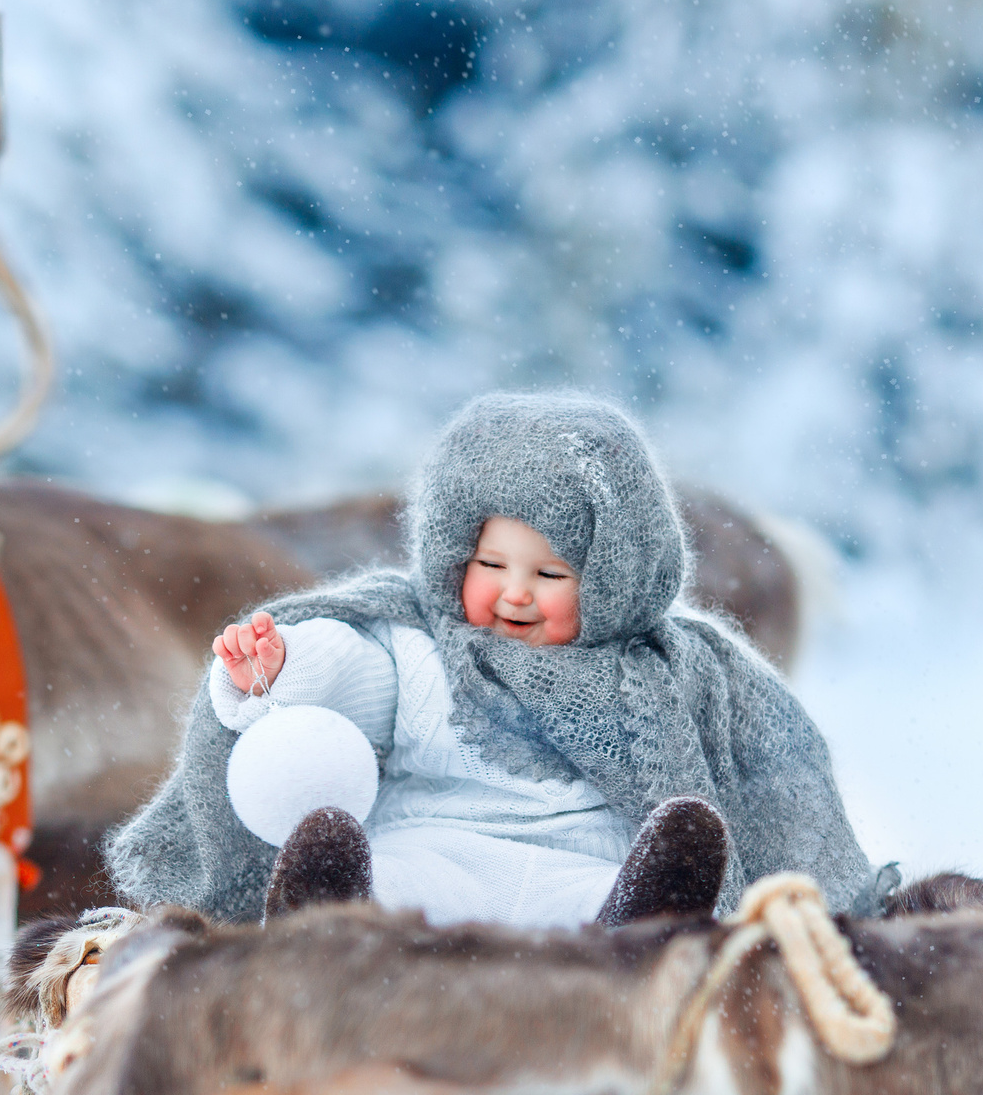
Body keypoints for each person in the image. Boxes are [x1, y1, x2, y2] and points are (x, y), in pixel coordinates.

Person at [106, 393, 877, 928]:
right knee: (391, 873)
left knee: (616, 888)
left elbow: (767, 766)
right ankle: (335, 910)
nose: (514, 595)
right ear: (451, 556)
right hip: (434, 847)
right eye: (491, 567)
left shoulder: (661, 678)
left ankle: (645, 922)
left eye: (548, 577)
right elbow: (357, 677)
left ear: (611, 581)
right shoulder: (421, 649)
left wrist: (811, 879)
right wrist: (284, 668)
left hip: (582, 862)